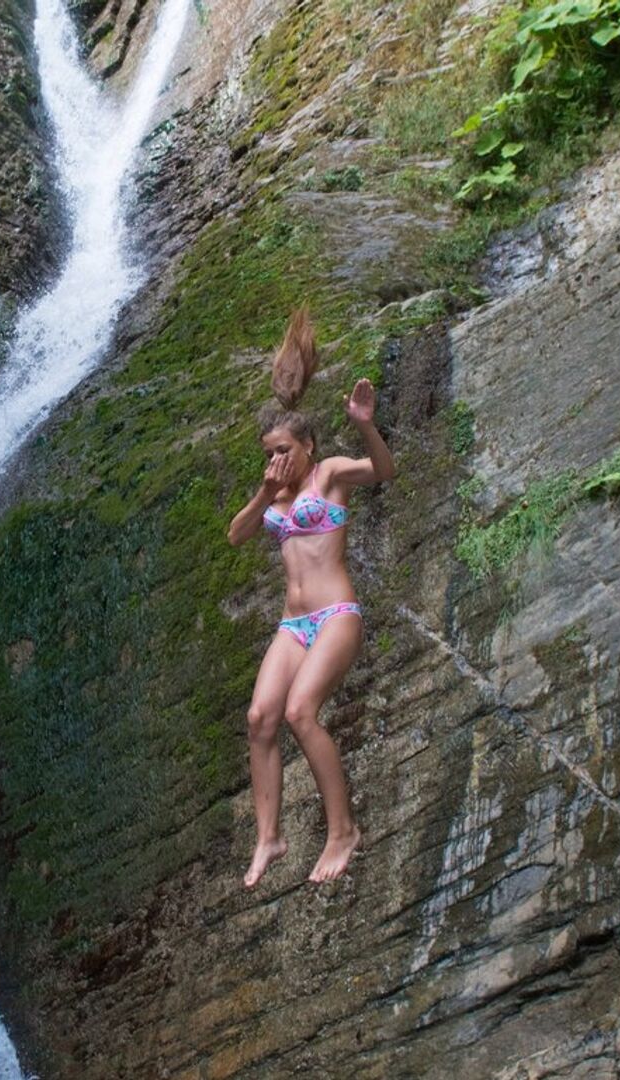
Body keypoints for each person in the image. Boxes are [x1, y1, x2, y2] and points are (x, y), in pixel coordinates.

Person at [225, 310, 395, 887]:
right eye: (269, 452)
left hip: (335, 616)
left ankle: (343, 829)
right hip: (293, 626)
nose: (277, 461)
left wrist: (366, 423)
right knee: (259, 718)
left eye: (283, 451)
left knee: (301, 712)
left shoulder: (329, 476)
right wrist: (264, 489)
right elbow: (236, 535)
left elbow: (385, 469)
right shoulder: (274, 494)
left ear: (309, 445)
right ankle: (269, 838)